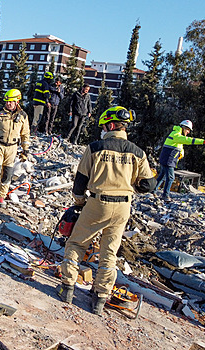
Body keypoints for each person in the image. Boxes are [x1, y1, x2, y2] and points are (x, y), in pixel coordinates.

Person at [57, 106, 156, 315]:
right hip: (123, 207)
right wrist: (131, 187)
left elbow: (80, 181)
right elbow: (149, 184)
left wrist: (79, 202)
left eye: (104, 126)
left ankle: (67, 287)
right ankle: (100, 298)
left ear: (110, 125)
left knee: (76, 242)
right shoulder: (137, 152)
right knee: (109, 252)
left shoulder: (95, 147)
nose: (102, 129)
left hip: (98, 202)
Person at [0, 89, 30, 208]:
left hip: (12, 148)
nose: (8, 104)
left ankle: (1, 197)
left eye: (11, 102)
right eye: (7, 101)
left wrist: (25, 150)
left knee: (7, 173)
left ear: (17, 101)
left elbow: (25, 134)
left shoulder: (23, 116)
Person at [156, 120, 205, 201]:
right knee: (171, 178)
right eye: (188, 130)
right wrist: (202, 141)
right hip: (169, 160)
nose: (188, 132)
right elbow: (187, 140)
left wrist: (181, 153)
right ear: (183, 128)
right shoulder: (176, 135)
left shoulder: (176, 134)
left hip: (166, 159)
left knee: (162, 175)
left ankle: (153, 190)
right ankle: (165, 195)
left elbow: (180, 145)